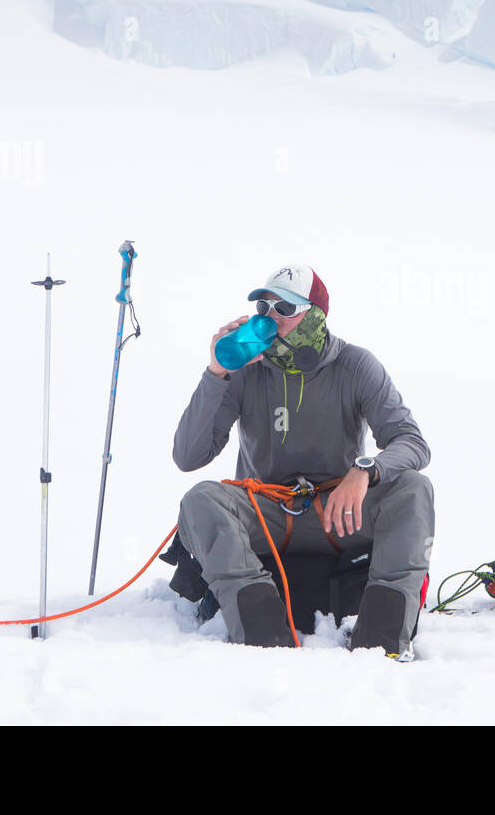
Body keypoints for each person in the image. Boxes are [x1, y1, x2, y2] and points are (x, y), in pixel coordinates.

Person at [172, 263, 434, 658]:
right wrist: (217, 373)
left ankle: (383, 642)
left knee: (414, 489)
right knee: (200, 499)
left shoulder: (356, 365)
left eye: (285, 309)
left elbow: (411, 442)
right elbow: (189, 457)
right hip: (270, 510)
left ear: (314, 315)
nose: (271, 319)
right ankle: (264, 635)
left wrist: (366, 470)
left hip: (338, 513)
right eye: (264, 309)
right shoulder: (244, 372)